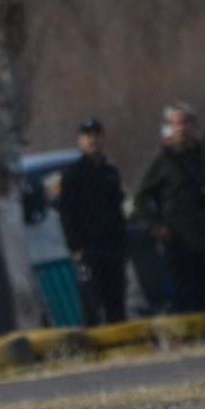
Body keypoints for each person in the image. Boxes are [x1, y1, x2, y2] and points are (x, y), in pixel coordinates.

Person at [133, 104, 205, 314]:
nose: (182, 128)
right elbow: (140, 197)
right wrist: (156, 225)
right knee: (184, 292)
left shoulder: (204, 157)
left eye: (186, 123)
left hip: (203, 235)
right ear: (169, 128)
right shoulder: (163, 159)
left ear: (195, 126)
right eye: (176, 124)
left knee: (203, 289)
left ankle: (204, 333)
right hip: (176, 238)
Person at [56, 118, 128, 324]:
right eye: (88, 137)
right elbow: (66, 212)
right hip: (88, 248)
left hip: (112, 246)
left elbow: (118, 208)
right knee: (91, 298)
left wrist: (122, 240)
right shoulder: (73, 175)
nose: (93, 141)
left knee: (116, 297)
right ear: (80, 141)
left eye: (96, 136)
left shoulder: (110, 173)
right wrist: (75, 246)